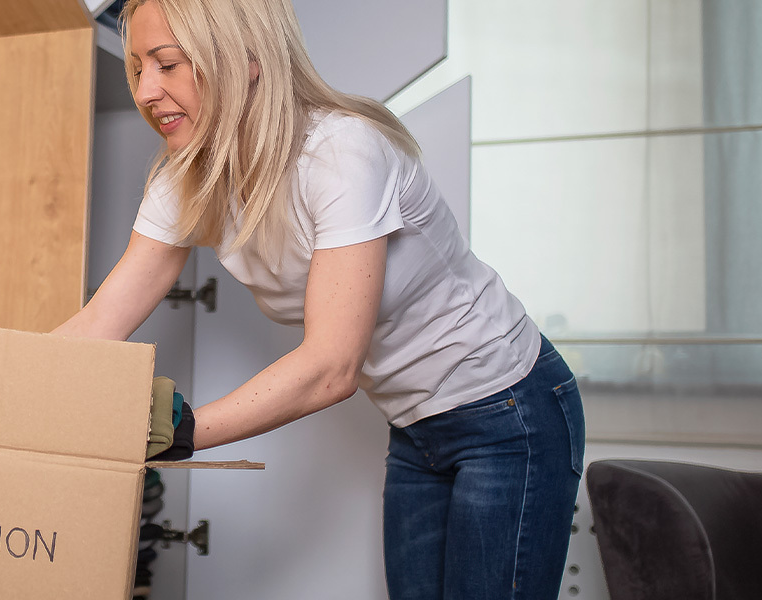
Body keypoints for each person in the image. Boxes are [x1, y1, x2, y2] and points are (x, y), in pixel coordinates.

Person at [51, 1, 585, 598]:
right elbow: (102, 317)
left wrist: (184, 432)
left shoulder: (340, 152)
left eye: (168, 65)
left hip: (508, 411)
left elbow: (332, 366)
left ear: (246, 60)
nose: (147, 90)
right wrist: (1, 388)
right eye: (138, 68)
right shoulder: (186, 176)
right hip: (414, 424)